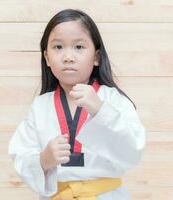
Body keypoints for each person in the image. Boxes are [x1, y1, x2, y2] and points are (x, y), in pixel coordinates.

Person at [8, 9, 146, 200]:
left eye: (79, 47)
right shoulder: (40, 106)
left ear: (96, 56)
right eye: (58, 47)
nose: (68, 57)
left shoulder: (112, 99)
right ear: (47, 58)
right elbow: (20, 154)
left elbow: (132, 151)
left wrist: (100, 109)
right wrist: (43, 159)